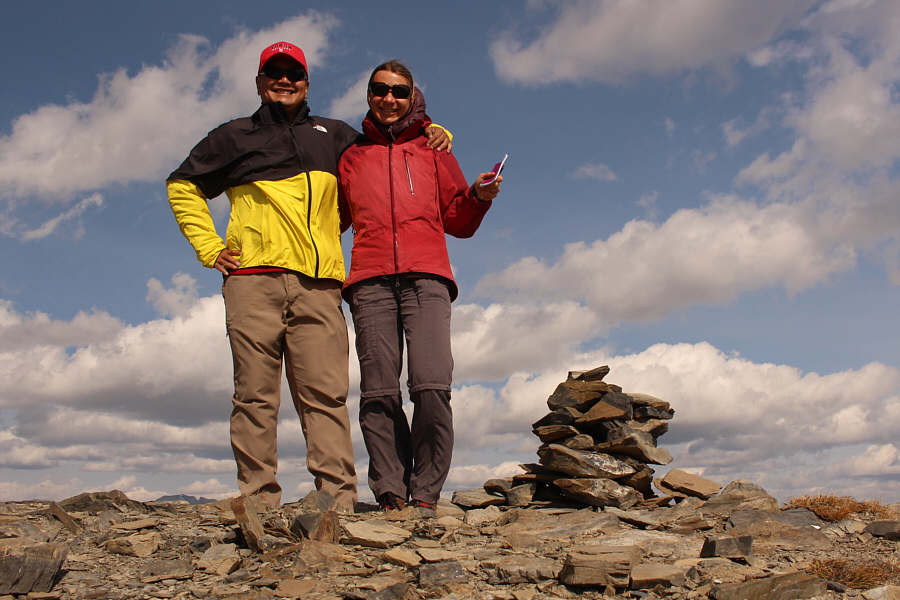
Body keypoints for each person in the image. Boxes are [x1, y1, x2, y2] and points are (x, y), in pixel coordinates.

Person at [166, 42, 450, 511]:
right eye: (273, 73)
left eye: (292, 73)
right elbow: (182, 185)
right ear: (259, 82)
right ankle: (259, 500)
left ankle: (336, 500)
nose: (284, 80)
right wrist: (210, 248)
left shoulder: (335, 136)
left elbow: (391, 143)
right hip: (252, 280)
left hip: (319, 286)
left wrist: (435, 130)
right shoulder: (232, 136)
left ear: (306, 82)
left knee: (326, 395)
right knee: (255, 396)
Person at [338, 60, 502, 513]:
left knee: (431, 386)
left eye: (399, 91)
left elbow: (457, 220)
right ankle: (390, 490)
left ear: (414, 98)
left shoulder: (435, 150)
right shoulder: (350, 156)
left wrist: (479, 196)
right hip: (369, 280)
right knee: (378, 391)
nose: (389, 98)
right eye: (379, 89)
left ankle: (425, 493)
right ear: (369, 95)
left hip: (427, 277)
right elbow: (330, 219)